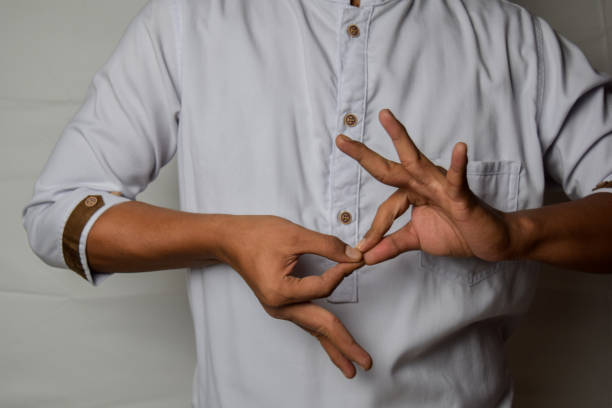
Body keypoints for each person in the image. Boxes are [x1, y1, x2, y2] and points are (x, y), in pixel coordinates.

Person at [22, 0, 612, 406]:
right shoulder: (192, 19)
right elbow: (57, 214)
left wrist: (516, 233)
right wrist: (224, 237)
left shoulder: (516, 41)